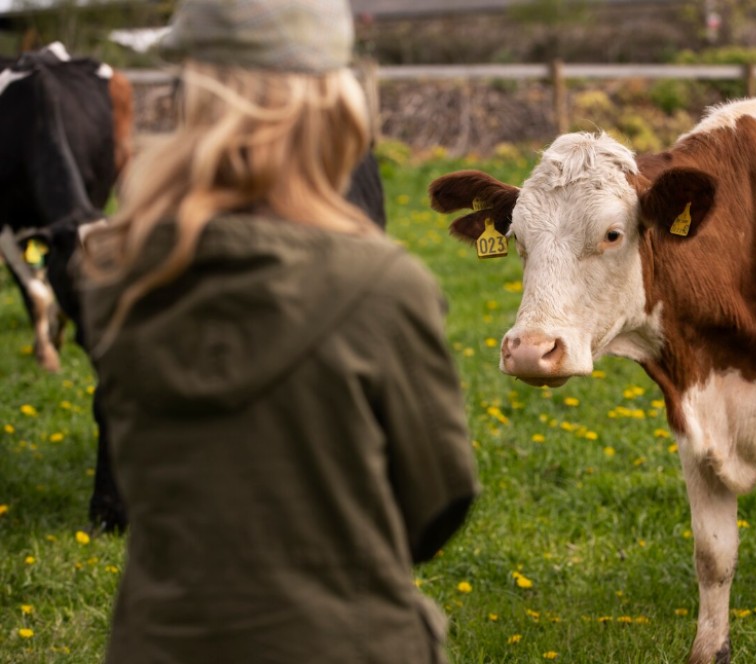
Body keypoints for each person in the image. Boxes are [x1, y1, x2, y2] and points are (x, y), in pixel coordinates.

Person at [80, 0, 479, 662]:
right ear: (336, 106)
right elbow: (436, 502)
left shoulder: (112, 276)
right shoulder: (384, 288)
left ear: (187, 100)